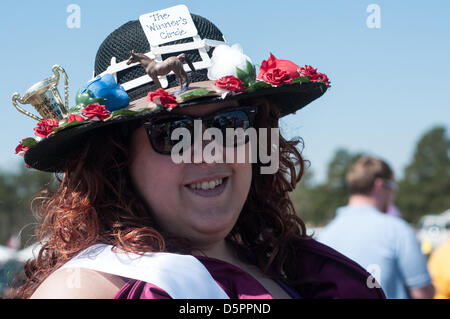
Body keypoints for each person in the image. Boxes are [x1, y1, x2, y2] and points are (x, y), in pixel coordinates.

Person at [10, 8, 384, 299]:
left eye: (231, 122)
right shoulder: (86, 288)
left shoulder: (294, 270)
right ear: (117, 162)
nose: (209, 151)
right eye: (174, 133)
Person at [318, 155, 434, 299]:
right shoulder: (398, 231)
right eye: (392, 187)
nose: (393, 195)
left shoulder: (324, 236)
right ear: (379, 185)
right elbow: (423, 293)